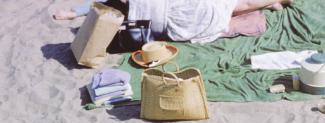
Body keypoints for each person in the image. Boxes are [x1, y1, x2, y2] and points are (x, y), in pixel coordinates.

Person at [55, 0, 293, 41]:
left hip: (192, 19)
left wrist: (75, 12)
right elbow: (246, 5)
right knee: (236, 7)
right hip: (201, 19)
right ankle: (273, 1)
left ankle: (73, 12)